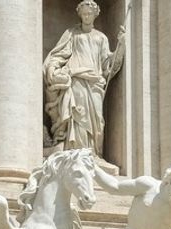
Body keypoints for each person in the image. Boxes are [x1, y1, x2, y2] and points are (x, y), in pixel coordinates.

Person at [44, 0, 126, 157]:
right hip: (76, 80)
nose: (87, 16)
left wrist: (121, 45)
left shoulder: (101, 38)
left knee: (98, 121)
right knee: (77, 116)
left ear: (95, 14)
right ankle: (76, 152)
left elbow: (108, 66)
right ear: (80, 15)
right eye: (84, 14)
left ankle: (94, 154)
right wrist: (53, 68)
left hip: (95, 82)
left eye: (89, 14)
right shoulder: (72, 34)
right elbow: (59, 54)